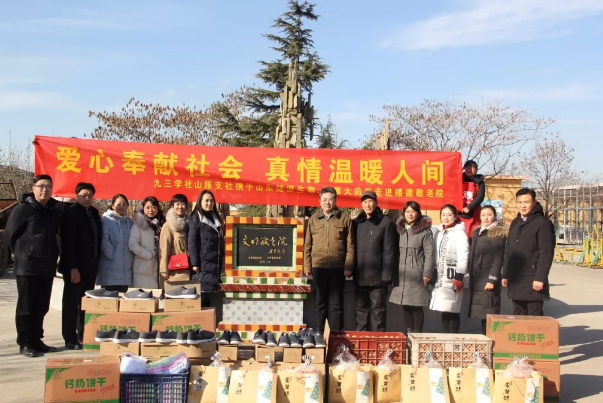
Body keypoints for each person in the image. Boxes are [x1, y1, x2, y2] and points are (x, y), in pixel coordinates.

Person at [5, 174, 61, 357]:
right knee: (26, 307)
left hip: (47, 266)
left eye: (48, 187)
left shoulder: (53, 211)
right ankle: (25, 343)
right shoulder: (23, 209)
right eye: (41, 186)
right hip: (27, 267)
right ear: (33, 188)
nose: (45, 190)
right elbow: (9, 235)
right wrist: (21, 254)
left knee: (41, 306)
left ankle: (37, 340)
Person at [304, 187, 354, 332]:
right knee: (320, 303)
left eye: (330, 199)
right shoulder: (313, 220)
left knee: (336, 303)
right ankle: (320, 333)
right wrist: (307, 267)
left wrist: (348, 266)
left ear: (335, 200)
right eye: (324, 200)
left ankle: (336, 334)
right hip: (318, 267)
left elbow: (350, 245)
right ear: (320, 201)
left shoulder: (344, 219)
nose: (327, 203)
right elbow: (308, 245)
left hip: (338, 268)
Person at [59, 182, 102, 350]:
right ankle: (69, 338)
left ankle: (82, 334)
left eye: (90, 195)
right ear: (76, 196)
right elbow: (67, 243)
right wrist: (73, 267)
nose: (87, 198)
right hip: (75, 268)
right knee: (71, 304)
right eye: (84, 195)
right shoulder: (71, 214)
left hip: (90, 267)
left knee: (85, 303)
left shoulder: (94, 214)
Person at [502, 188, 555, 316]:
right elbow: (509, 250)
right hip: (516, 277)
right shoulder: (515, 222)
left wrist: (540, 278)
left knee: (534, 316)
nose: (523, 205)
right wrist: (506, 274)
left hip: (532, 278)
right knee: (518, 313)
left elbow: (546, 253)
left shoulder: (542, 223)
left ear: (534, 202)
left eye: (526, 202)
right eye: (520, 202)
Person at [352, 190, 397, 331]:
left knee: (378, 311)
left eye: (370, 201)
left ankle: (378, 340)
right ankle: (362, 339)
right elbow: (352, 248)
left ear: (376, 203)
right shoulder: (357, 223)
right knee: (361, 310)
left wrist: (387, 275)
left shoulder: (386, 223)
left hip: (378, 278)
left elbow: (389, 251)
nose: (368, 205)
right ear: (361, 204)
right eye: (365, 202)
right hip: (360, 276)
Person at [389, 201, 434, 334]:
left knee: (417, 306)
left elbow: (429, 254)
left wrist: (427, 273)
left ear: (418, 213)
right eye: (407, 211)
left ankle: (417, 335)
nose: (410, 214)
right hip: (402, 273)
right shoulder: (399, 230)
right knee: (406, 305)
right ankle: (409, 333)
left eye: (413, 211)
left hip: (417, 273)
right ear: (403, 213)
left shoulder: (425, 231)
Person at [468, 205, 507, 334]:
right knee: (482, 313)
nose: (486, 218)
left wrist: (492, 279)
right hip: (478, 278)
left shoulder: (496, 233)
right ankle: (485, 338)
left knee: (489, 312)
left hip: (488, 279)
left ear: (495, 216)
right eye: (483, 215)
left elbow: (498, 259)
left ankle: (491, 339)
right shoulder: (477, 232)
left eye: (489, 215)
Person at [430, 204, 469, 333]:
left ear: (455, 216)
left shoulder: (460, 234)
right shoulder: (438, 232)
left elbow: (464, 255)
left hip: (454, 276)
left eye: (449, 215)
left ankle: (453, 337)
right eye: (443, 215)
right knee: (444, 309)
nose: (446, 218)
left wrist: (459, 276)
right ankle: (446, 337)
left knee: (453, 309)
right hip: (441, 277)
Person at [188, 190, 224, 307]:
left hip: (214, 263)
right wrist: (194, 263)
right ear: (200, 201)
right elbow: (192, 240)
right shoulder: (196, 216)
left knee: (210, 296)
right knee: (202, 296)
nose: (209, 203)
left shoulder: (215, 217)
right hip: (202, 264)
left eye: (211, 201)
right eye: (206, 201)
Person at [96, 194, 134, 292]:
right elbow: (104, 240)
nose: (122, 206)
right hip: (110, 268)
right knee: (109, 299)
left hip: (125, 270)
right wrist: (113, 255)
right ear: (112, 205)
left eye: (124, 204)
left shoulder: (129, 222)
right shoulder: (107, 220)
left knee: (122, 298)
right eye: (119, 204)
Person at [129, 196, 165, 289]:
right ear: (143, 208)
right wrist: (148, 255)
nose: (151, 210)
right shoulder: (138, 225)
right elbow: (132, 244)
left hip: (159, 267)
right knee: (144, 296)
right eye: (148, 207)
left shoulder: (162, 224)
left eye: (154, 207)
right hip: (143, 269)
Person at [159, 194, 191, 286]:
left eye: (183, 204)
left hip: (189, 269)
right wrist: (163, 269)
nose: (180, 207)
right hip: (175, 271)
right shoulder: (168, 225)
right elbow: (164, 249)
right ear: (172, 206)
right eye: (177, 204)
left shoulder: (190, 223)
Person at [459, 160, 485, 239]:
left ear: (476, 170)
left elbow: (480, 197)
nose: (469, 169)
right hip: (458, 213)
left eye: (472, 167)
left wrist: (469, 207)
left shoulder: (480, 182)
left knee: (472, 235)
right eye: (467, 167)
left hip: (473, 214)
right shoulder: (458, 179)